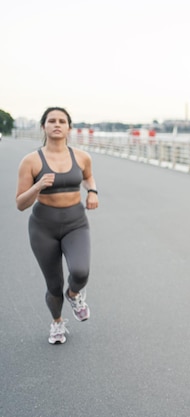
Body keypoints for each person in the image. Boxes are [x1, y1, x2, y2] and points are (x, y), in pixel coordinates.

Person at [16, 107, 99, 344]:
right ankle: (57, 323)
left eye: (62, 121)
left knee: (81, 272)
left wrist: (92, 191)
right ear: (44, 126)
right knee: (54, 284)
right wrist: (38, 185)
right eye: (51, 120)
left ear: (69, 128)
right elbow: (21, 203)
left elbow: (88, 176)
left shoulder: (82, 157)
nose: (57, 124)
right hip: (43, 227)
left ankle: (74, 295)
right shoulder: (31, 161)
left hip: (76, 223)